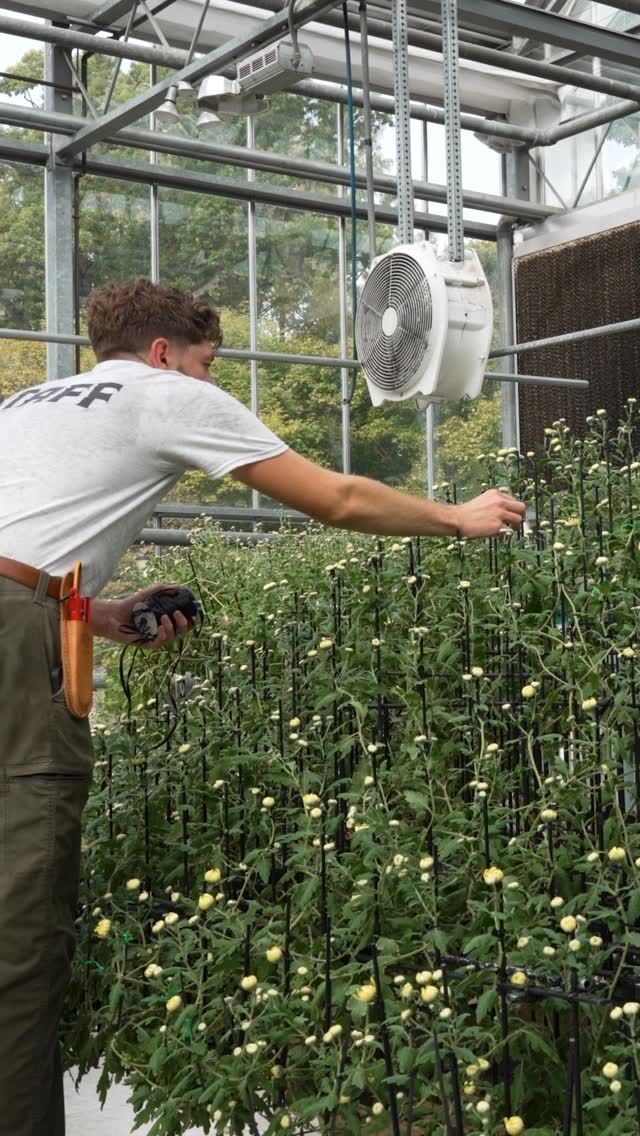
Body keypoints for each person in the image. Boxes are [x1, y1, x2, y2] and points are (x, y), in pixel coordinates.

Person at [0, 278, 525, 1135]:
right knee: (22, 925)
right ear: (167, 352)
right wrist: (456, 516)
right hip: (18, 644)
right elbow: (336, 499)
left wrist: (95, 614)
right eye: (208, 363)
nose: (210, 382)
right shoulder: (163, 394)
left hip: (33, 614)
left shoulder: (26, 400)